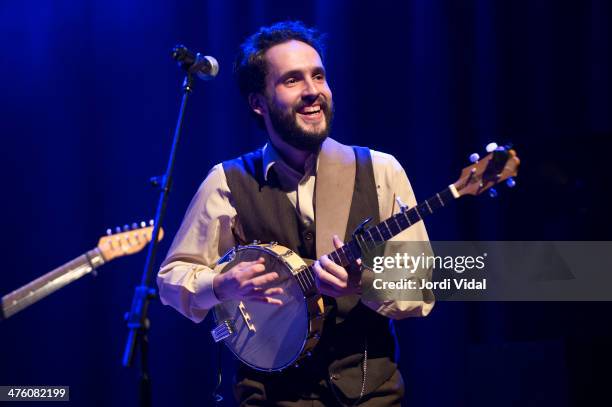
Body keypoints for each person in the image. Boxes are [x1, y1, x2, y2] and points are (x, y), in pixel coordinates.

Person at [157, 21, 434, 406]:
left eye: (318, 76)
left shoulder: (381, 171)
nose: (312, 91)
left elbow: (422, 289)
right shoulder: (228, 182)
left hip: (370, 395)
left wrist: (365, 283)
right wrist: (221, 285)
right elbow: (172, 278)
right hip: (269, 396)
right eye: (292, 80)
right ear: (258, 102)